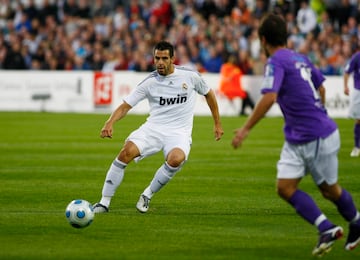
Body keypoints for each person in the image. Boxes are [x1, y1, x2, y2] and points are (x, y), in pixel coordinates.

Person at [231, 13, 360, 257]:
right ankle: (327, 227)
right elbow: (321, 86)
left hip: (313, 135)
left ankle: (354, 222)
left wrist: (246, 128)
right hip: (300, 135)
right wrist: (320, 111)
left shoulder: (276, 61)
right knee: (285, 187)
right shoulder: (300, 58)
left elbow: (270, 96)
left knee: (329, 190)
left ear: (263, 39)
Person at [93, 41, 224, 214]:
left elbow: (209, 94)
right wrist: (109, 123)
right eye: (157, 58)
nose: (160, 62)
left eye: (164, 58)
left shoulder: (190, 76)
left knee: (176, 159)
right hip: (153, 129)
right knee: (125, 153)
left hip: (179, 132)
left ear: (172, 59)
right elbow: (126, 105)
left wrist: (217, 123)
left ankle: (147, 195)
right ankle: (104, 202)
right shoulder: (150, 82)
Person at [343, 52, 360, 157]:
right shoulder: (357, 57)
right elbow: (347, 71)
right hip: (358, 91)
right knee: (359, 119)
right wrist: (345, 86)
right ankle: (357, 147)